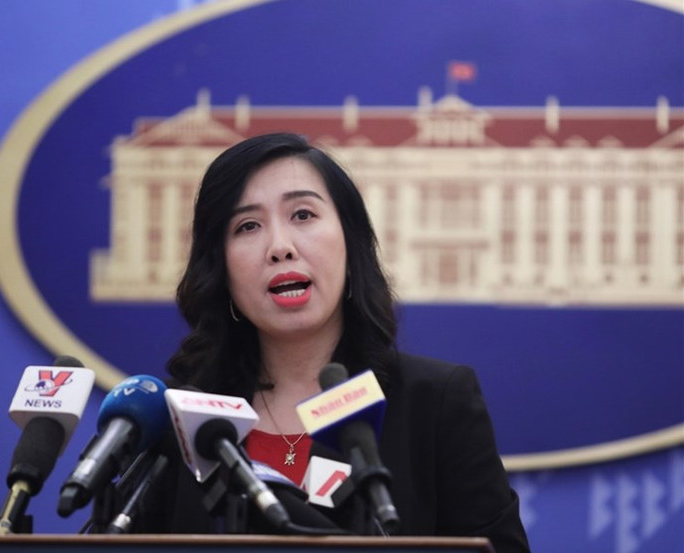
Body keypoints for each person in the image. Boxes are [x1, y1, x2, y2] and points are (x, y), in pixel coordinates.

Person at [143, 132, 530, 552]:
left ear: (350, 240)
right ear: (221, 266)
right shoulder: (179, 421)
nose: (280, 247)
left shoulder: (435, 403)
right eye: (247, 226)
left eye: (303, 214)